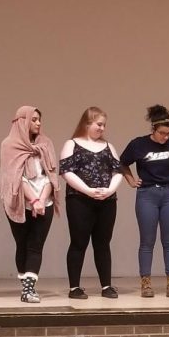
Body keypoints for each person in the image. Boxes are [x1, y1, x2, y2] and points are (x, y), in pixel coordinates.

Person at [121, 104, 169, 298]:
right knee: (147, 241)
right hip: (147, 194)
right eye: (163, 133)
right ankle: (146, 283)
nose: (166, 137)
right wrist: (131, 180)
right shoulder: (138, 144)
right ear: (153, 130)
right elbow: (122, 163)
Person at [59, 106, 123, 300]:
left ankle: (106, 285)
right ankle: (74, 287)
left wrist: (110, 190)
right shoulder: (72, 144)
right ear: (87, 123)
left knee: (103, 243)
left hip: (106, 201)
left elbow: (118, 171)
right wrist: (87, 190)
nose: (102, 128)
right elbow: (66, 171)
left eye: (104, 125)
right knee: (79, 243)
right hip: (79, 200)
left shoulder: (108, 146)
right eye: (99, 124)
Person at [0, 106, 60, 303]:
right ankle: (25, 284)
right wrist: (32, 199)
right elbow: (13, 177)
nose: (38, 123)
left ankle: (28, 290)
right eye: (33, 119)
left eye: (39, 119)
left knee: (36, 245)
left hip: (45, 200)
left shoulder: (46, 143)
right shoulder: (9, 145)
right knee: (22, 244)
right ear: (22, 121)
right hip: (19, 201)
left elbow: (51, 175)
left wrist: (42, 200)